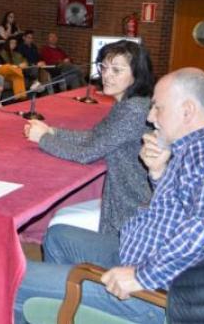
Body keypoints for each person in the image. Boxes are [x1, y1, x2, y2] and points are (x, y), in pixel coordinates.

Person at [14, 68, 204, 324]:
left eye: (158, 108)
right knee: (58, 236)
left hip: (152, 291)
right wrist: (158, 173)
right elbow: (184, 206)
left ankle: (50, 303)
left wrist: (141, 277)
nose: (151, 117)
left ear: (187, 110)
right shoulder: (203, 143)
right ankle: (65, 311)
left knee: (15, 278)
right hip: (141, 251)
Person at [25, 40, 155, 235]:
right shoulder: (129, 103)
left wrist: (43, 140)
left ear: (137, 74)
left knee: (58, 225)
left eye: (116, 70)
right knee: (62, 215)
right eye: (104, 67)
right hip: (124, 197)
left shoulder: (133, 110)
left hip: (130, 208)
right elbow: (95, 136)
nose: (106, 75)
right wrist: (53, 131)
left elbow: (88, 154)